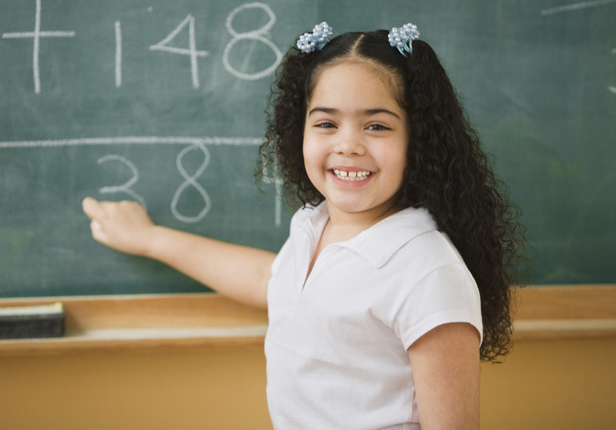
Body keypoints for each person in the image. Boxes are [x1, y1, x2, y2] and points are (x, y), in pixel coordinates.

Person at [82, 22, 526, 430]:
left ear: (419, 138)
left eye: (376, 125)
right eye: (326, 123)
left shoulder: (427, 270)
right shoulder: (314, 226)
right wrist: (150, 239)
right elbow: (268, 279)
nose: (348, 144)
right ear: (301, 131)